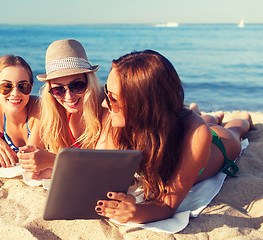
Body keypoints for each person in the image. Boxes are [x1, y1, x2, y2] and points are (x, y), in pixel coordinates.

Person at [95, 50, 253, 224]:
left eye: (113, 98)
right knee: (202, 121)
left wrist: (136, 213)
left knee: (234, 131)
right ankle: (210, 116)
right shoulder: (117, 120)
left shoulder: (197, 135)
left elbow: (168, 206)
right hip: (175, 128)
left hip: (216, 146)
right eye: (106, 92)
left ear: (141, 103)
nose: (105, 103)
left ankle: (244, 118)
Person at [18, 39, 107, 179]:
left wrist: (53, 161)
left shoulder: (107, 109)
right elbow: (29, 169)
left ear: (89, 82)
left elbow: (102, 170)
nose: (68, 96)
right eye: (58, 89)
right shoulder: (51, 111)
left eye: (77, 85)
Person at [0, 55, 41, 168]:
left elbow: (27, 159)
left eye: (23, 86)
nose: (15, 93)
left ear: (31, 88)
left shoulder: (39, 109)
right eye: (6, 86)